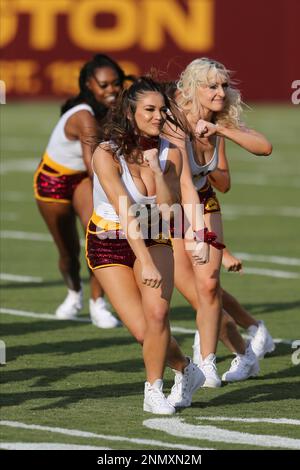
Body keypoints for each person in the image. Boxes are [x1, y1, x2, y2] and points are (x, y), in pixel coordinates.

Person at [86, 77, 206, 414]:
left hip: (154, 230)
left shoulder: (169, 153)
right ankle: (186, 367)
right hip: (109, 237)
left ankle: (153, 389)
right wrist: (146, 262)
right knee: (142, 331)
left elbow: (169, 209)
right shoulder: (105, 153)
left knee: (158, 315)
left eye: (162, 110)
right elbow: (125, 211)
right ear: (130, 111)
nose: (158, 116)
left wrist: (156, 169)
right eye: (149, 110)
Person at [162, 58, 273, 384]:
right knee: (201, 297)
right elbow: (182, 185)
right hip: (168, 211)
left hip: (202, 202)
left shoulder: (219, 121)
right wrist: (203, 238)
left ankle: (207, 361)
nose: (221, 92)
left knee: (209, 287)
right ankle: (247, 352)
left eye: (224, 85)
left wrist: (221, 128)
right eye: (212, 86)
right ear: (192, 88)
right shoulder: (174, 120)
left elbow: (264, 147)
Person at [33, 54, 132, 328]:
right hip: (54, 181)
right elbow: (95, 167)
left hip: (84, 182)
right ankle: (74, 293)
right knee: (68, 254)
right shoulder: (84, 117)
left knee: (97, 234)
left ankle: (97, 303)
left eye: (116, 83)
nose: (111, 89)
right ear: (89, 84)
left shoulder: (116, 109)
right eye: (104, 85)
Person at [192, 151, 275, 366]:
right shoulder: (165, 127)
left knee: (205, 289)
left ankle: (229, 353)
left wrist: (223, 131)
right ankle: (253, 329)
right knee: (204, 289)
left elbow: (224, 183)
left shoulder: (208, 130)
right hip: (164, 213)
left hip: (194, 211)